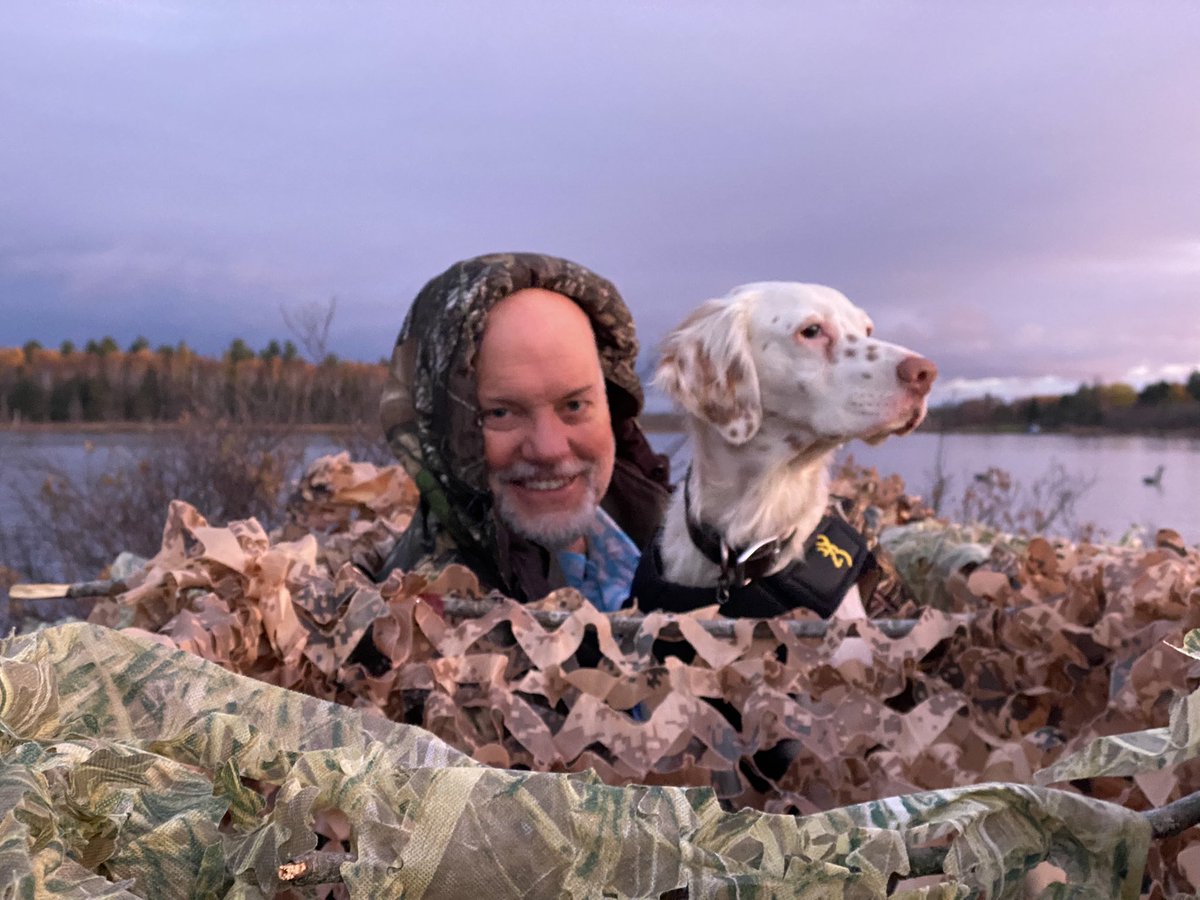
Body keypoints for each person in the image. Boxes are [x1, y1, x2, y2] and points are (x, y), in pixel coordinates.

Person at [376, 252, 671, 609]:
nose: (549, 449)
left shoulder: (683, 544)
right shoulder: (428, 623)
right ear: (439, 432)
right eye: (501, 413)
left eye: (574, 405)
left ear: (612, 404)